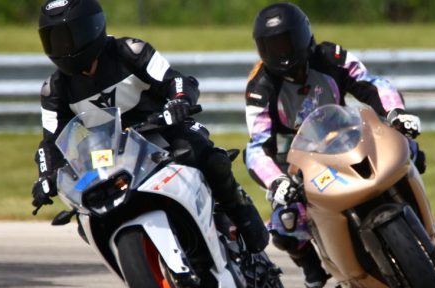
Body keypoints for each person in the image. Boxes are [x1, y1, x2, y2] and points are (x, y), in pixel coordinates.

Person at [31, 0, 269, 253]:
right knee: (86, 212)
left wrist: (179, 101)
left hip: (163, 128)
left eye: (69, 37)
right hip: (107, 154)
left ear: (92, 28)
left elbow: (175, 80)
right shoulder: (54, 89)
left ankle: (242, 214)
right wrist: (46, 176)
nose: (63, 47)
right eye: (54, 40)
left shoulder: (130, 51)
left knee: (208, 159)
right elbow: (51, 142)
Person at [245, 2, 425, 288]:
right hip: (298, 157)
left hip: (345, 133)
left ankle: (412, 214)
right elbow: (256, 147)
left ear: (302, 36)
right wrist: (276, 181)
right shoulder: (259, 86)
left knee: (409, 149)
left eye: (285, 41)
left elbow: (370, 84)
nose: (280, 51)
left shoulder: (331, 55)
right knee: (285, 222)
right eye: (271, 45)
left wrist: (396, 113)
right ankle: (311, 264)